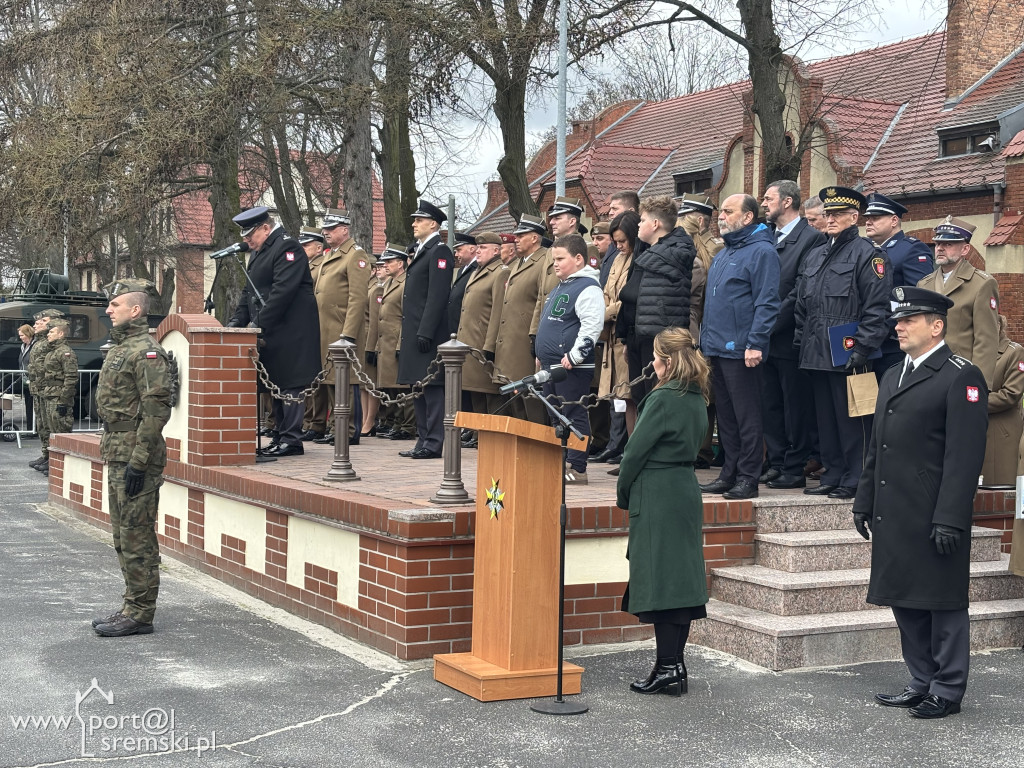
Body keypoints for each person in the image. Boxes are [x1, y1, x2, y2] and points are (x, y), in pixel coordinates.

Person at [853, 286, 987, 719]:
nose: (899, 327)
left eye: (908, 320)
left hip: (933, 512)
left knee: (941, 602)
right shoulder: (893, 374)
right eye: (898, 321)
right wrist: (864, 498)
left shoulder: (961, 375)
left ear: (936, 326)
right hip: (895, 510)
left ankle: (947, 688)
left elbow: (964, 456)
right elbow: (879, 446)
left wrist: (950, 516)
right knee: (905, 600)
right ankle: (921, 679)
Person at [617, 326, 710, 697]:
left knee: (663, 586)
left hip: (658, 493)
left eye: (656, 357)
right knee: (680, 585)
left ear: (666, 362)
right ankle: (673, 665)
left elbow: (634, 454)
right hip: (684, 489)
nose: (652, 363)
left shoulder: (662, 398)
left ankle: (668, 667)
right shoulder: (697, 395)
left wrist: (624, 495)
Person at [794, 187, 892, 499]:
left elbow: (878, 308)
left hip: (850, 349)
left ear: (855, 217)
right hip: (817, 348)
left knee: (855, 419)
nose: (831, 218)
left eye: (838, 214)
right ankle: (833, 472)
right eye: (828, 213)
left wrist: (862, 347)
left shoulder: (869, 254)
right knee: (826, 418)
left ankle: (856, 477)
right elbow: (802, 304)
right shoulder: (817, 254)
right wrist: (802, 340)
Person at [92, 279, 173, 637]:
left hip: (136, 454)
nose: (109, 310)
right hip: (118, 449)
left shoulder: (147, 352)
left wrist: (139, 462)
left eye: (115, 304)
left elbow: (156, 412)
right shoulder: (121, 347)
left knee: (137, 534)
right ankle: (131, 603)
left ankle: (141, 613)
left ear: (135, 310)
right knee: (122, 535)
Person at [698, 194, 780, 500]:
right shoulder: (723, 253)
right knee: (727, 416)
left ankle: (748, 477)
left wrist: (756, 342)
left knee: (747, 416)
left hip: (743, 348)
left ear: (748, 217)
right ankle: (729, 472)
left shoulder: (762, 252)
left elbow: (767, 301)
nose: (721, 216)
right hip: (717, 347)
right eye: (721, 211)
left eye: (728, 212)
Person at [227, 205, 321, 458]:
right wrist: (236, 323)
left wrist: (257, 325)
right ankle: (280, 435)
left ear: (266, 228)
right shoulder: (260, 251)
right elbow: (249, 291)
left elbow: (282, 292)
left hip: (291, 330)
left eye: (250, 236)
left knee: (289, 384)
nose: (247, 241)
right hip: (272, 330)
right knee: (275, 384)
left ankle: (292, 440)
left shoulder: (287, 248)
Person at [760, 180, 825, 489]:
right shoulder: (766, 237)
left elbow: (800, 289)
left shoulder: (811, 238)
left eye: (768, 198)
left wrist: (769, 323)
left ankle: (794, 464)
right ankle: (775, 461)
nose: (763, 203)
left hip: (789, 337)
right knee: (769, 403)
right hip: (763, 338)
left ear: (787, 202)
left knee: (794, 405)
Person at [534, 233, 604, 485]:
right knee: (556, 415)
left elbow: (591, 326)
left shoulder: (587, 288)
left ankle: (577, 466)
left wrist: (575, 355)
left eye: (560, 259)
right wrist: (540, 355)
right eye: (554, 259)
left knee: (574, 413)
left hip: (571, 366)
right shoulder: (561, 286)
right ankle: (560, 461)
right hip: (551, 364)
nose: (555, 264)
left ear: (578, 259)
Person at [310, 208, 371, 446]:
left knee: (345, 381)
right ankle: (335, 426)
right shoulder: (330, 254)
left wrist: (348, 333)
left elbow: (357, 298)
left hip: (341, 328)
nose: (326, 232)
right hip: (326, 328)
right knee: (331, 381)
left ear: (344, 230)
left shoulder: (355, 255)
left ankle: (348, 429)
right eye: (325, 228)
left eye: (331, 228)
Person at [917, 216, 1000, 388]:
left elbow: (986, 340)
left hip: (959, 372)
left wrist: (978, 383)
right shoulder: (924, 284)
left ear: (965, 249)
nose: (940, 248)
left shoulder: (981, 284)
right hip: (926, 371)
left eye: (948, 244)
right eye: (938, 244)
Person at [398, 200, 453, 459]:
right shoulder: (421, 250)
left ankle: (433, 442)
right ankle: (422, 440)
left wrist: (427, 331)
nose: (414, 224)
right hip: (415, 329)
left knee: (431, 388)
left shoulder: (439, 251)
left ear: (433, 223)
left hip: (427, 333)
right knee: (417, 388)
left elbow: (438, 295)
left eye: (419, 220)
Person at [630, 196, 696, 402]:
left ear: (655, 224)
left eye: (642, 220)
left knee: (656, 398)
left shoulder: (671, 254)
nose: (638, 225)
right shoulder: (648, 250)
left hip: (660, 340)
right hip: (641, 336)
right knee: (640, 396)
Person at [863, 193, 934, 375]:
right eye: (867, 218)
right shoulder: (867, 251)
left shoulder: (910, 249)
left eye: (876, 218)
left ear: (894, 221)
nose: (868, 222)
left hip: (893, 343)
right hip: (867, 339)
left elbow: (916, 297)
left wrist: (889, 326)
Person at [493, 214, 550, 424]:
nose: (515, 239)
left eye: (521, 235)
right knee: (515, 394)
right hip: (511, 339)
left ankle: (535, 442)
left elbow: (543, 299)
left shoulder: (544, 260)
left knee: (531, 396)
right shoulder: (518, 263)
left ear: (535, 238)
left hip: (527, 337)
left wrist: (536, 335)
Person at [455, 231, 508, 426]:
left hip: (482, 341)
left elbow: (497, 311)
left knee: (488, 393)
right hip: (470, 340)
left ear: (496, 250)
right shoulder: (477, 271)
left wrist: (490, 344)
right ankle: (478, 432)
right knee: (475, 391)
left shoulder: (500, 272)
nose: (478, 251)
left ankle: (489, 435)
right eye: (477, 247)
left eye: (483, 248)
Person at [368, 243, 415, 441]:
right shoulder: (389, 283)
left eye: (390, 261)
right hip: (385, 341)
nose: (385, 265)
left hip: (396, 340)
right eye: (385, 261)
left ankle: (407, 425)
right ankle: (396, 422)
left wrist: (400, 345)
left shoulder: (406, 283)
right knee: (390, 386)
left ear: (401, 263)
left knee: (402, 386)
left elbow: (406, 316)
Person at [981, 315, 1024, 485]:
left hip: (1000, 433)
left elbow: (1011, 394)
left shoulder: (1014, 352)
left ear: (999, 325)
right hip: (975, 429)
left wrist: (972, 402)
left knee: (999, 489)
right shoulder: (975, 351)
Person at [34, 318, 80, 476]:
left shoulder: (65, 352)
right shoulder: (52, 351)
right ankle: (53, 462)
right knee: (51, 430)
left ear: (60, 334)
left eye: (52, 332)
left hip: (59, 395)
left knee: (61, 431)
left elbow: (71, 377)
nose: (48, 334)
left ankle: (63, 466)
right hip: (50, 394)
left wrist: (64, 400)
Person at [27, 309, 65, 471]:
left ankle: (53, 458)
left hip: (50, 390)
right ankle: (46, 454)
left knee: (53, 426)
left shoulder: (52, 344)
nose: (37, 325)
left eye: (42, 321)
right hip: (40, 390)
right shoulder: (41, 342)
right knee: (42, 425)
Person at [361, 260, 387, 436]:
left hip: (370, 338)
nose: (378, 271)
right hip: (362, 338)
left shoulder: (376, 289)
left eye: (379, 268)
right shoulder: (366, 286)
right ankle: (364, 418)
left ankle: (370, 420)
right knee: (363, 384)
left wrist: (371, 346)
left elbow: (375, 321)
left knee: (371, 384)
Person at [16, 324, 36, 434]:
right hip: (25, 380)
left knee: (33, 405)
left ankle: (33, 430)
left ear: (28, 334)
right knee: (28, 405)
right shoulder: (23, 346)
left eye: (22, 335)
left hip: (33, 379)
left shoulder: (35, 345)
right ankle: (30, 429)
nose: (20, 337)